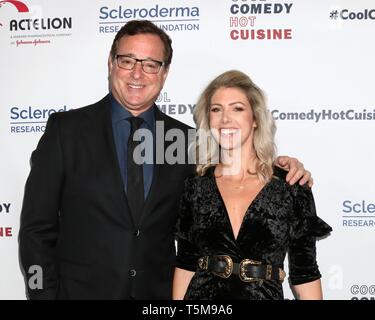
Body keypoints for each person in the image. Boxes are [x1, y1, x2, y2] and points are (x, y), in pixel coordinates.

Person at [19, 20, 312, 300]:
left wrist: (285, 168)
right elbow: (36, 231)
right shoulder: (66, 132)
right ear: (111, 63)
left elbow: (238, 166)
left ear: (164, 72)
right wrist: (44, 295)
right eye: (127, 60)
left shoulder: (188, 142)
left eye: (150, 64)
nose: (137, 74)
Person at [173, 70, 332, 300]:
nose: (225, 118)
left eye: (237, 108)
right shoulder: (196, 187)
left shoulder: (291, 186)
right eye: (216, 109)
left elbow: (305, 275)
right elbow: (186, 263)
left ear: (256, 119)